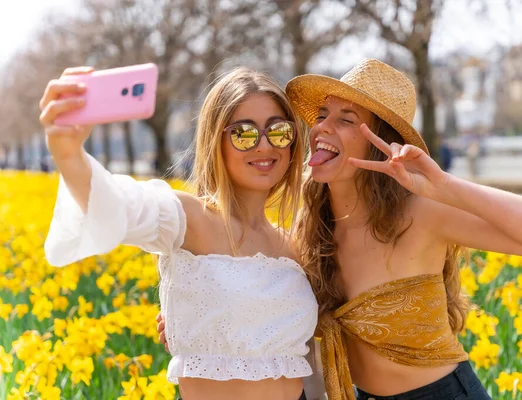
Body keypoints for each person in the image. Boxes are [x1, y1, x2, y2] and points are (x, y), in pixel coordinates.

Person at [285, 58, 522, 400]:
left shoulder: (419, 213)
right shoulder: (309, 227)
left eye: (346, 119)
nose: (322, 128)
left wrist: (443, 184)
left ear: (379, 142)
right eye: (322, 115)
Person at [40, 66, 320, 400]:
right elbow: (118, 205)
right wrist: (67, 153)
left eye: (279, 131)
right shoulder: (189, 219)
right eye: (244, 133)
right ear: (216, 139)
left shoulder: (294, 246)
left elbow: (310, 359)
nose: (264, 146)